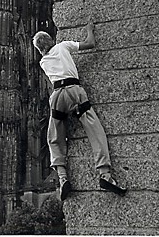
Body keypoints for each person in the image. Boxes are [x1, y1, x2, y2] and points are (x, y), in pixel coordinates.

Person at [33, 24, 127, 201]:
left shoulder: (42, 62)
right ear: (51, 40)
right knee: (94, 130)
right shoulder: (62, 46)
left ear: (40, 50)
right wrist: (90, 29)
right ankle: (105, 175)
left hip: (57, 97)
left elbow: (51, 79)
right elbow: (89, 44)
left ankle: (62, 178)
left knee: (54, 138)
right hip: (74, 90)